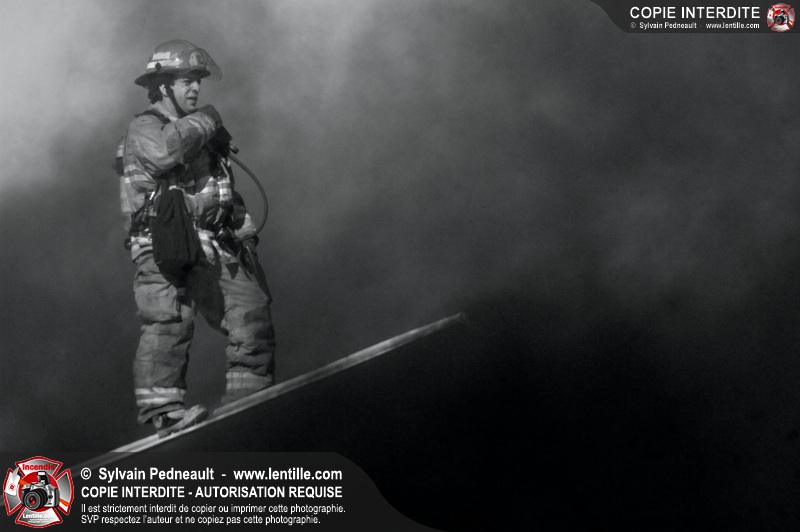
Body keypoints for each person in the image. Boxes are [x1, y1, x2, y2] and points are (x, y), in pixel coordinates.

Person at [118, 40, 276, 437]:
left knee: (251, 310)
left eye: (198, 81)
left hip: (209, 242)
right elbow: (164, 152)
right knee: (169, 321)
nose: (195, 88)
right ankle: (165, 412)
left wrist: (242, 232)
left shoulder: (200, 133)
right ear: (162, 86)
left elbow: (221, 188)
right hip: (162, 245)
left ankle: (248, 399)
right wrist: (208, 120)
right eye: (187, 80)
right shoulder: (145, 128)